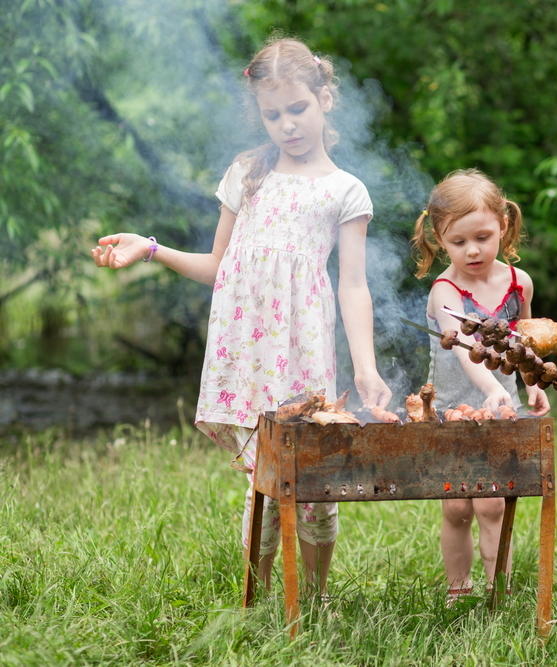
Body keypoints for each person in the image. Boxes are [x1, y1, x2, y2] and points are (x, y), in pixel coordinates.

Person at [91, 38, 391, 597]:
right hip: (245, 355)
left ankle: (317, 599)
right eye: (272, 114)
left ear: (325, 99)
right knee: (263, 482)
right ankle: (256, 598)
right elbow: (215, 265)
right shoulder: (247, 172)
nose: (287, 125)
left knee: (309, 480)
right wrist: (150, 248)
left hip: (300, 353)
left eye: (297, 109)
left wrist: (367, 369)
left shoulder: (345, 190)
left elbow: (353, 286)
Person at [411, 169, 550, 604]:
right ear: (439, 239)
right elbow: (463, 346)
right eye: (458, 242)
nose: (472, 250)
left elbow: (525, 341)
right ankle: (458, 588)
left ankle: (497, 590)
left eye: (483, 237)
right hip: (452, 408)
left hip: (500, 408)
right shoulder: (445, 291)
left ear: (504, 226)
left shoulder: (517, 283)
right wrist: (491, 388)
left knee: (492, 502)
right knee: (455, 505)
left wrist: (532, 383)